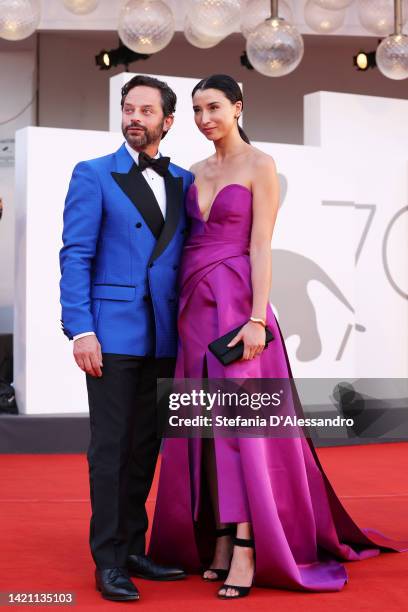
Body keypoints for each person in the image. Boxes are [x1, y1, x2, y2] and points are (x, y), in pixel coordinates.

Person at [148, 74, 407, 599]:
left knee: (245, 428)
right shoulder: (190, 173)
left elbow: (262, 246)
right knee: (203, 427)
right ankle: (219, 535)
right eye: (197, 110)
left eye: (214, 107)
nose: (204, 119)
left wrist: (257, 319)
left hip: (239, 303)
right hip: (194, 306)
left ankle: (246, 543)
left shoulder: (261, 165)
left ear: (238, 107)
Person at [59, 75, 193, 602]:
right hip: (111, 334)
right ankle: (109, 559)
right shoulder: (93, 174)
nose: (134, 117)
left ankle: (135, 548)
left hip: (165, 337)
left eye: (145, 110)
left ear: (167, 121)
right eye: (128, 108)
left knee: (145, 448)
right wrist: (81, 328)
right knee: (111, 451)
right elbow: (75, 254)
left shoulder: (183, 180)